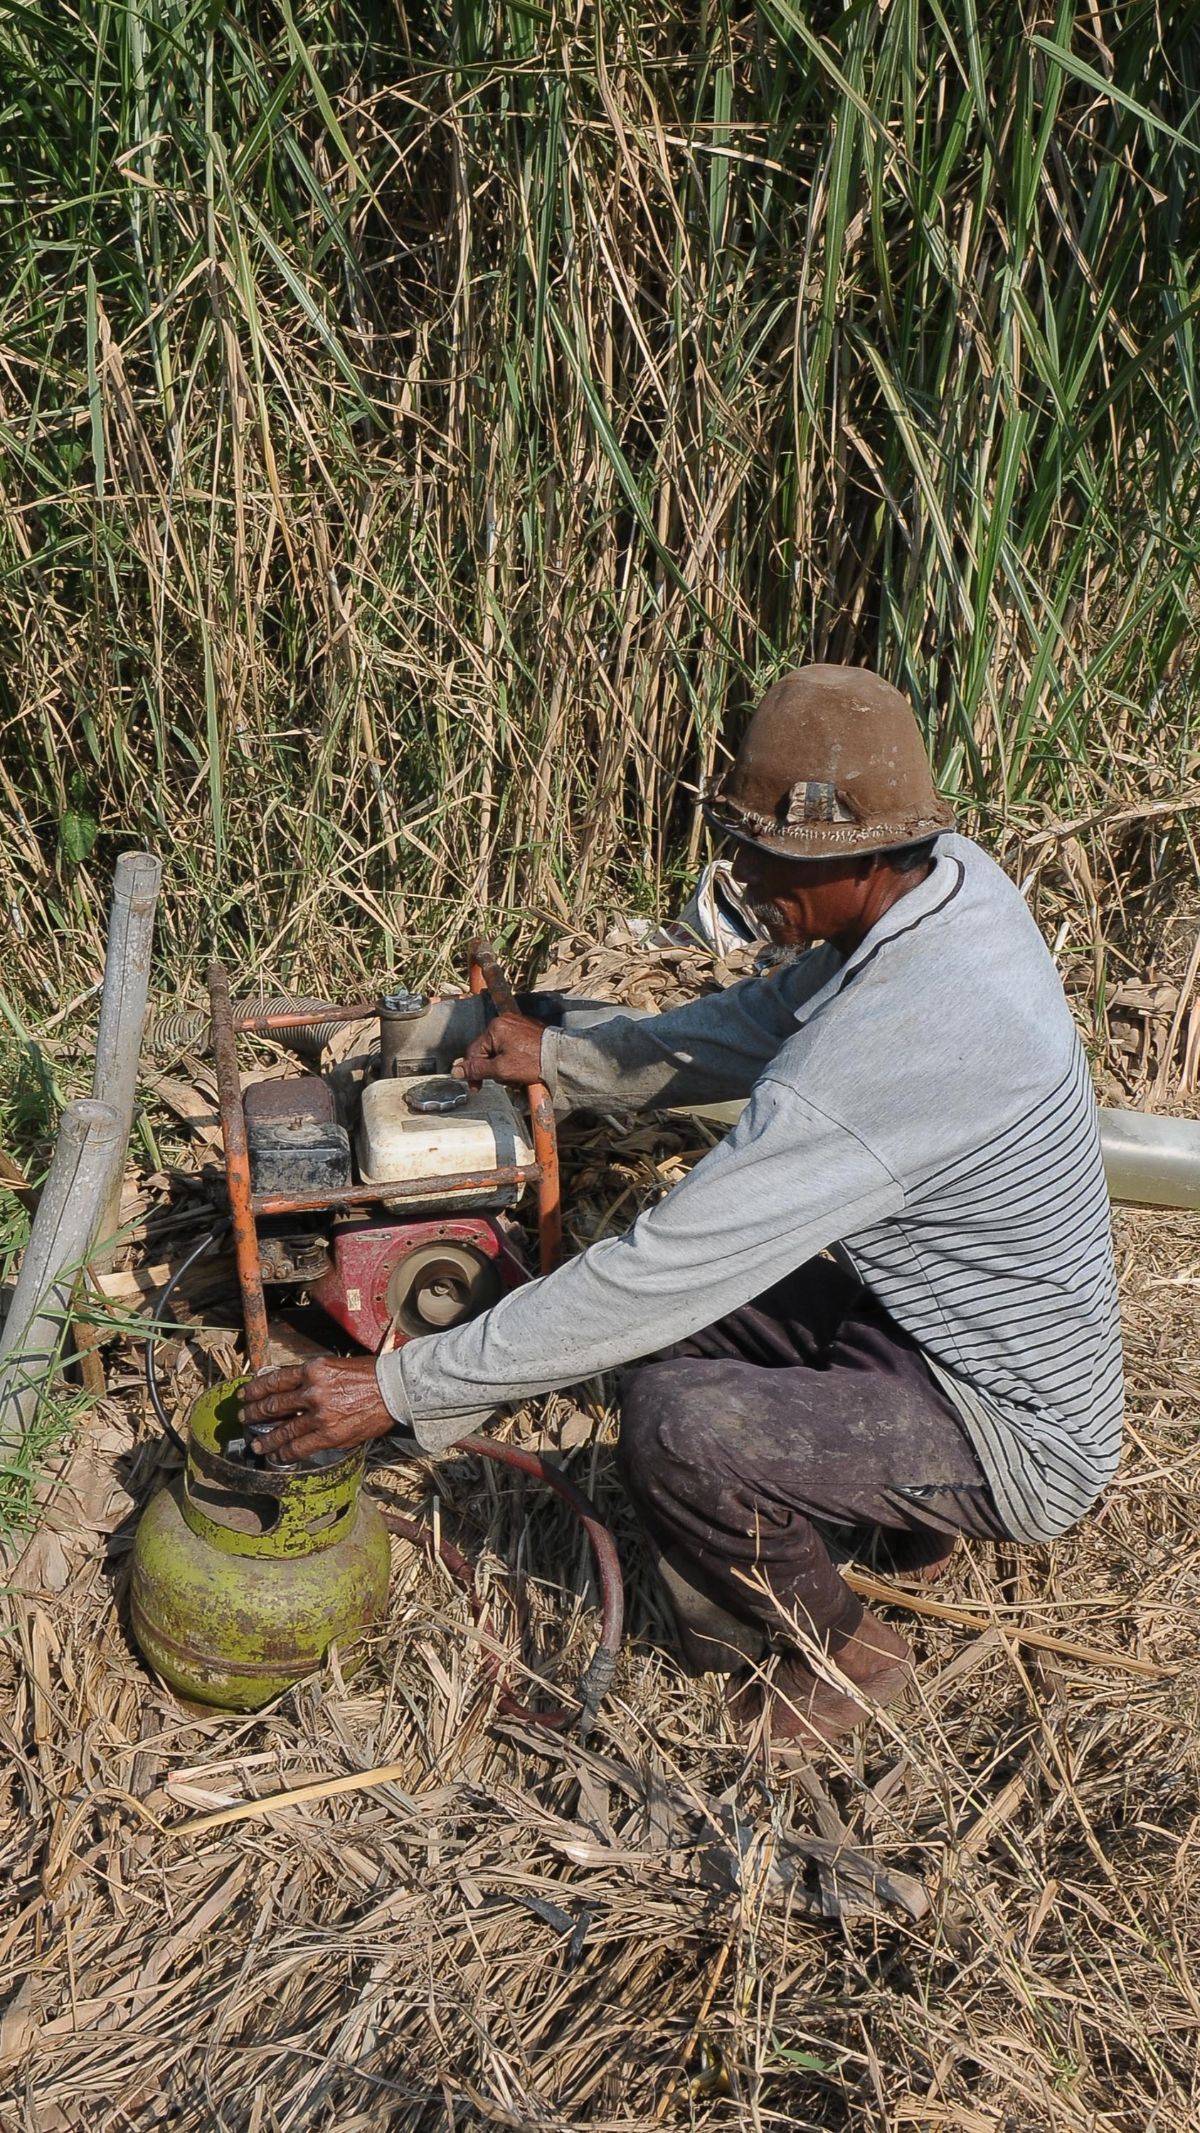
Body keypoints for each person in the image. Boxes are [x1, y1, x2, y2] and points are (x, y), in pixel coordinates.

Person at [241, 666, 1123, 1753]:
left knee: (683, 1427)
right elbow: (758, 1023)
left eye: (769, 854)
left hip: (1016, 1431)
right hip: (930, 1328)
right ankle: (893, 1521)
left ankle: (842, 1649)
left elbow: (661, 1269)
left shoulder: (897, 1046)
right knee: (665, 1348)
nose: (743, 875)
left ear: (857, 851)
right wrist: (564, 1056)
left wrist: (400, 1383)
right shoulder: (946, 885)